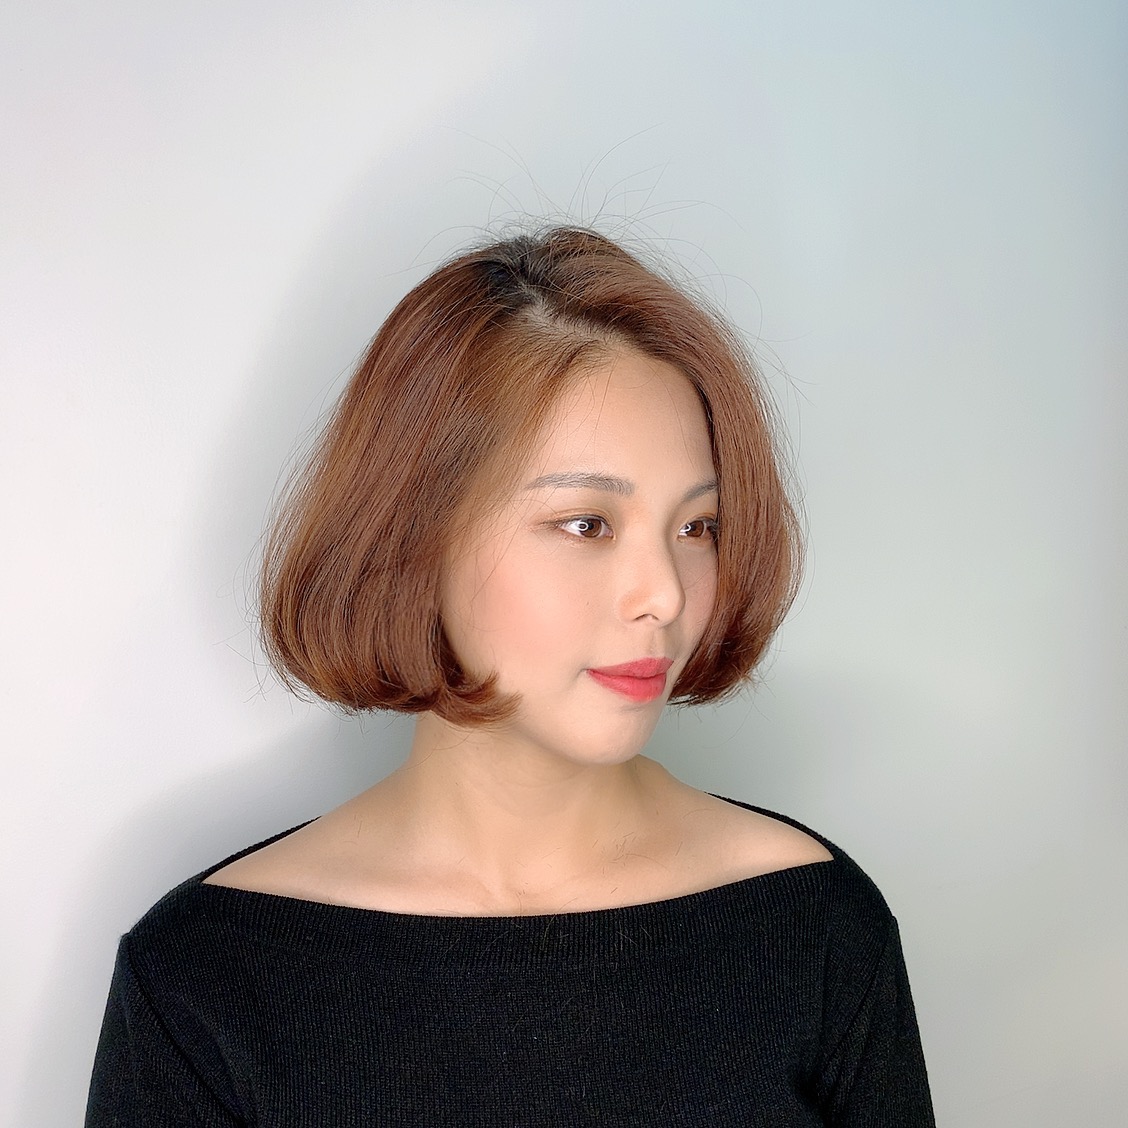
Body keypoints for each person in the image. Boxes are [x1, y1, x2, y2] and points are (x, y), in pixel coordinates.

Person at [86, 227, 935, 1125]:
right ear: (415, 536)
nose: (663, 594)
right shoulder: (203, 983)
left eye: (698, 528)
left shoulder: (815, 928)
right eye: (586, 524)